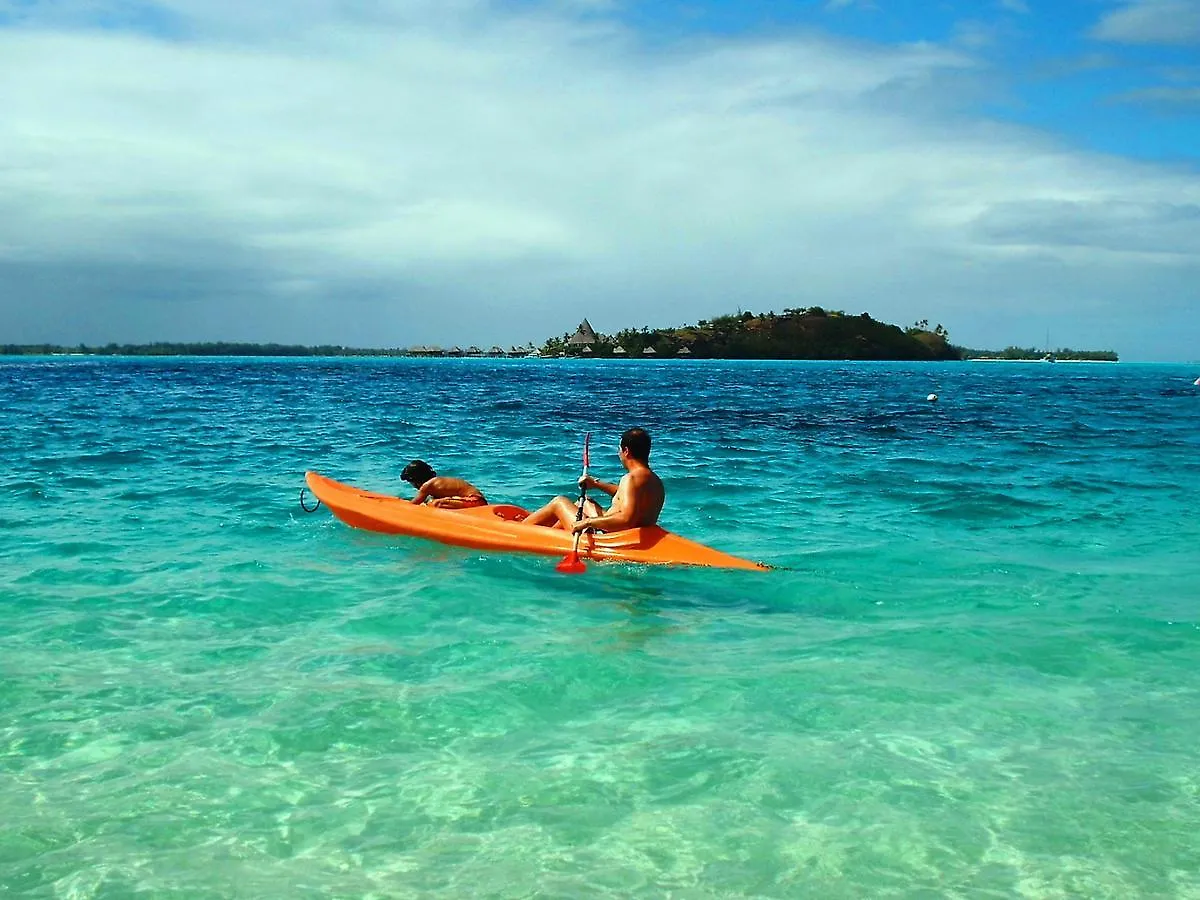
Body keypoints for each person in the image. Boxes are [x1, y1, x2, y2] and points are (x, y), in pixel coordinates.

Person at [525, 427, 665, 533]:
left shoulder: (631, 478)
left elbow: (626, 519)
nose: (619, 454)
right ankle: (553, 532)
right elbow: (626, 495)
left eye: (619, 450)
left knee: (559, 502)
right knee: (586, 502)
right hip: (628, 534)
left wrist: (588, 523)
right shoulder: (655, 481)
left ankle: (520, 529)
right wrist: (596, 484)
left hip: (609, 536)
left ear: (626, 451)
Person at [401, 459, 488, 509]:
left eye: (411, 482)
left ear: (416, 480)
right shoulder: (436, 483)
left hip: (475, 501)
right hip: (476, 500)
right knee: (432, 501)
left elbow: (413, 505)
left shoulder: (427, 485)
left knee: (435, 504)